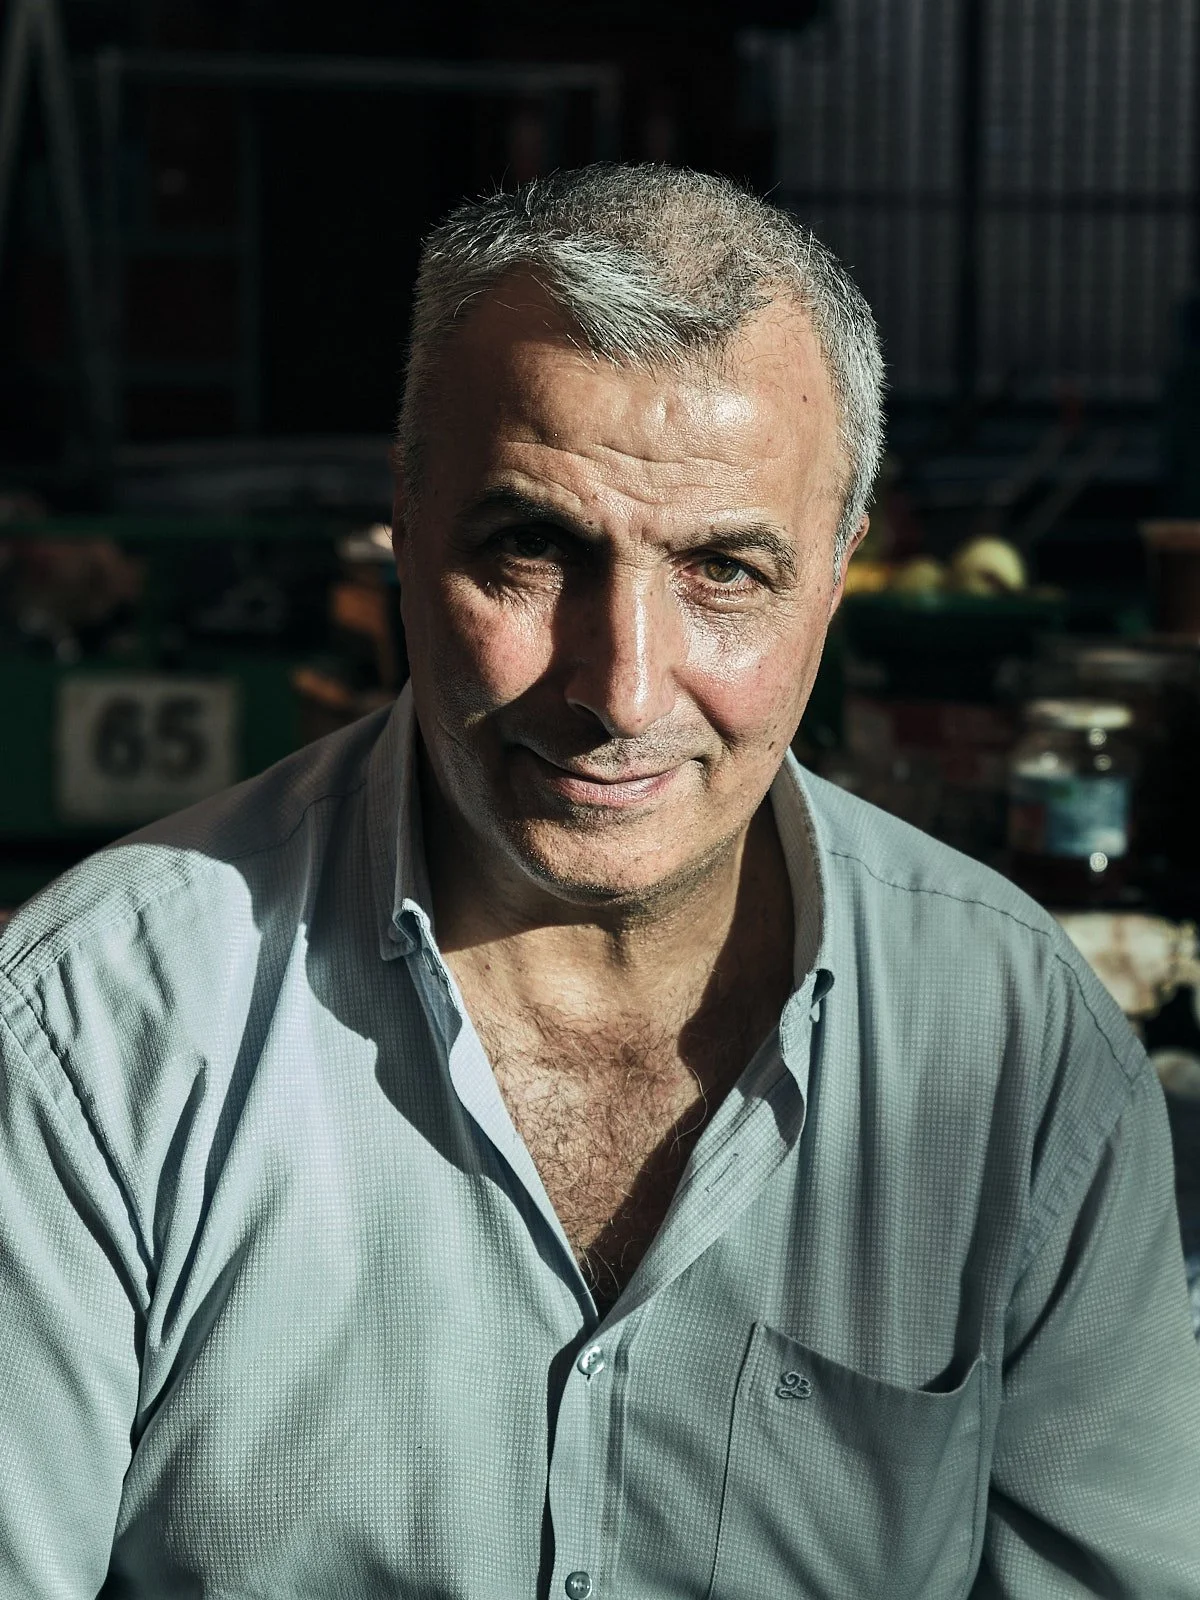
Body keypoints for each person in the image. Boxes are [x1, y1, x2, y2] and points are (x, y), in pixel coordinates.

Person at [1, 164, 1198, 1600]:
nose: (622, 688)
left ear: (838, 572)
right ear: (407, 523)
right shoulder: (97, 1032)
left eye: (726, 573)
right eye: (534, 550)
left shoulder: (1019, 1044)